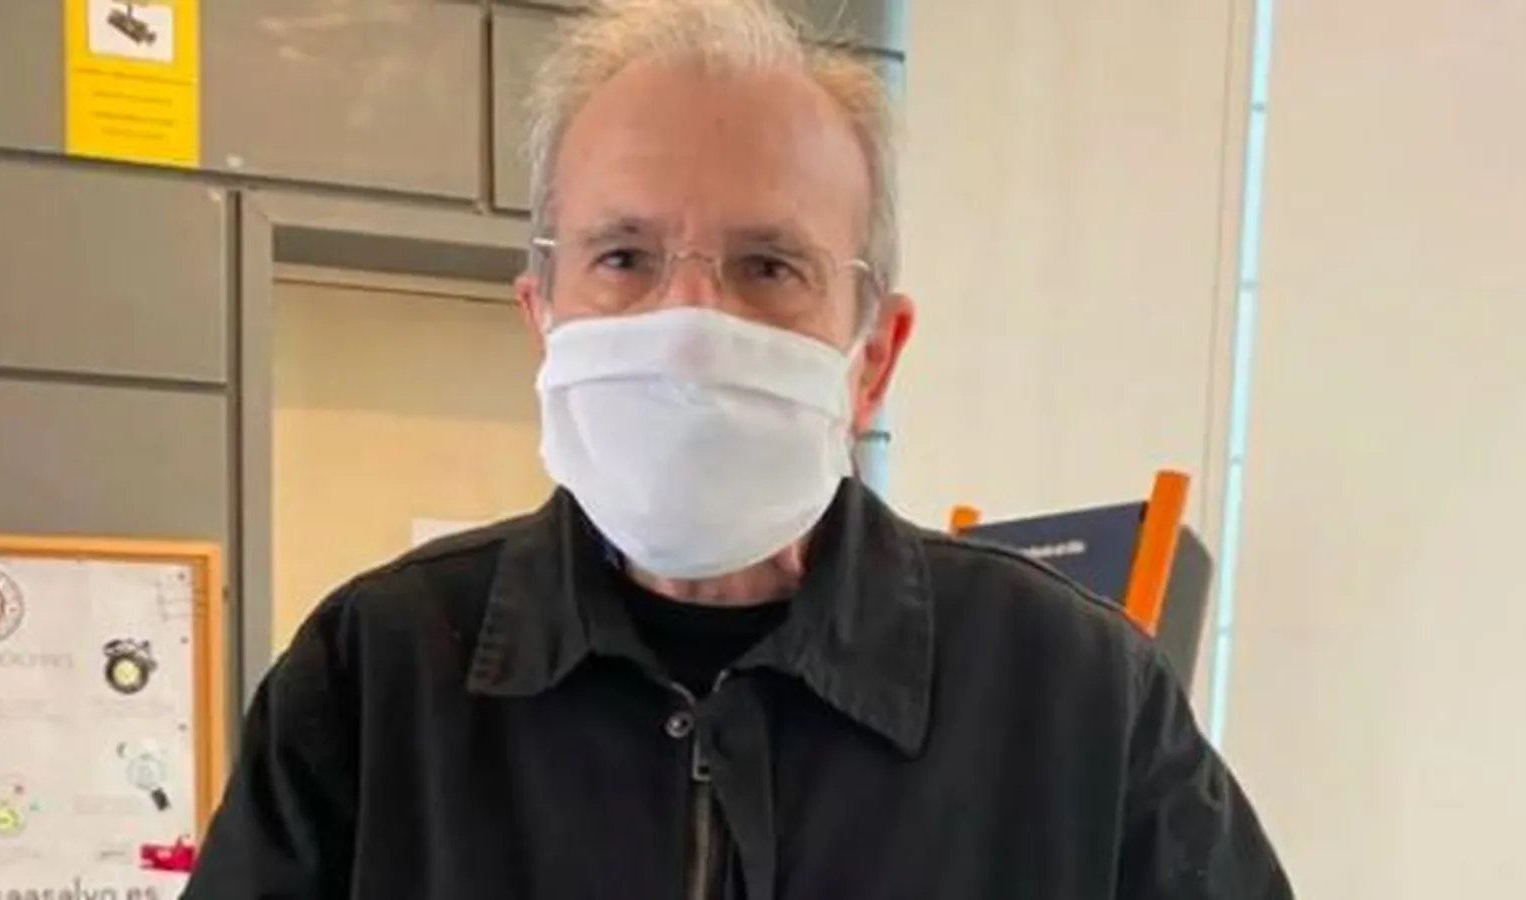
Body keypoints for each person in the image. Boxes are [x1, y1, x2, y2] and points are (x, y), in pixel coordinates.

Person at [185, 0, 1292, 897]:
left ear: (874, 356)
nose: (688, 324)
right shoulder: (373, 683)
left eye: (769, 266)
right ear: (541, 317)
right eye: (624, 257)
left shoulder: (1078, 703)